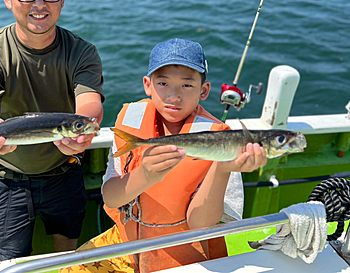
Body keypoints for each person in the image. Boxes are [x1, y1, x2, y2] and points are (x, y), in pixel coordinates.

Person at [61, 38, 267, 273]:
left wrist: (223, 168)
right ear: (148, 85)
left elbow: (202, 224)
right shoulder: (130, 120)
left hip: (188, 256)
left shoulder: (221, 141)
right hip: (125, 244)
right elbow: (111, 198)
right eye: (163, 83)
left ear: (204, 90)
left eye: (187, 85)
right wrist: (146, 174)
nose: (174, 96)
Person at [0, 0, 104, 261]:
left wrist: (83, 132)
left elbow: (90, 106)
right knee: (13, 263)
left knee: (68, 249)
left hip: (65, 173)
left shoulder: (82, 52)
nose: (39, 3)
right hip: (7, 178)